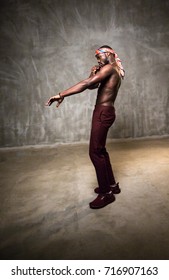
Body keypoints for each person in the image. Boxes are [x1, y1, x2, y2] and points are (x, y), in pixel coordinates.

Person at [45, 45, 125, 209]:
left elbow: (86, 84)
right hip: (106, 111)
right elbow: (92, 84)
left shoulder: (110, 67)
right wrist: (93, 73)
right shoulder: (114, 69)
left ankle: (105, 194)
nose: (97, 60)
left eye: (98, 56)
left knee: (94, 152)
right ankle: (111, 186)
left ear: (108, 54)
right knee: (101, 150)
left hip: (103, 112)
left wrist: (61, 94)